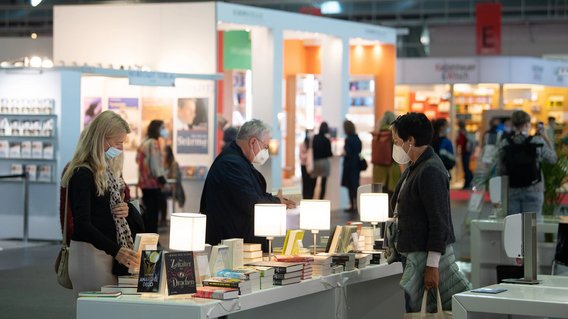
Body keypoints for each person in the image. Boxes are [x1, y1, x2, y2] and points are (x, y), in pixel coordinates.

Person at [388, 112, 470, 313]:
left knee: (421, 309)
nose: (395, 146)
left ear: (410, 140)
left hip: (424, 258)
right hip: (412, 254)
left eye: (397, 141)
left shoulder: (430, 169)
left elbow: (438, 220)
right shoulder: (415, 166)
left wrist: (432, 266)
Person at [62, 111, 141, 296]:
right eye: (117, 143)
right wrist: (116, 251)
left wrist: (125, 208)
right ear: (101, 140)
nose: (120, 148)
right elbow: (82, 225)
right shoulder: (83, 173)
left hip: (107, 252)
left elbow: (104, 210)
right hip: (90, 255)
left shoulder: (106, 172)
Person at [200, 119, 296, 248]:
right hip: (232, 246)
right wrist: (276, 202)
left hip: (240, 242)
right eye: (265, 147)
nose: (266, 152)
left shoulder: (238, 161)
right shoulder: (231, 164)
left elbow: (250, 194)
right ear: (253, 142)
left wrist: (274, 199)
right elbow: (250, 202)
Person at [496, 110, 557, 216]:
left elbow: (500, 169)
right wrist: (546, 138)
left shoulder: (505, 143)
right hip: (534, 189)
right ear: (527, 124)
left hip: (512, 189)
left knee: (514, 227)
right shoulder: (537, 141)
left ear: (513, 125)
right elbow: (553, 159)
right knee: (531, 229)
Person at [136, 120, 168, 233]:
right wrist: (162, 179)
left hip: (144, 183)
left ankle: (147, 239)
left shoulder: (144, 142)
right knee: (154, 214)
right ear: (157, 128)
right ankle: (153, 240)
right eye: (163, 127)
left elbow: (138, 160)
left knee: (148, 212)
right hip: (153, 184)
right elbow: (155, 164)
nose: (165, 130)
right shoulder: (154, 143)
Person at [371, 111, 400, 197]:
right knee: (390, 196)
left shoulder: (376, 134)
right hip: (391, 168)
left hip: (377, 168)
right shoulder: (394, 133)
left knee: (377, 195)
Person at [160, 145, 185, 225]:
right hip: (164, 187)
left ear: (168, 153)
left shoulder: (174, 164)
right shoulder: (163, 163)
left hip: (173, 189)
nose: (163, 153)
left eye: (164, 151)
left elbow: (175, 179)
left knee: (162, 196)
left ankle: (163, 219)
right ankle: (160, 219)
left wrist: (168, 185)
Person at [341, 120, 362, 213]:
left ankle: (352, 206)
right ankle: (356, 205)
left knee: (350, 186)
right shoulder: (357, 138)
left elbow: (348, 153)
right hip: (356, 165)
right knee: (355, 185)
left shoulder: (348, 139)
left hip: (349, 165)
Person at [311, 122, 333, 199]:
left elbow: (312, 149)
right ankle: (321, 200)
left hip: (315, 162)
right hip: (324, 162)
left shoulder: (315, 138)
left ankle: (311, 198)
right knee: (323, 184)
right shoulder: (327, 140)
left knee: (313, 183)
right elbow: (330, 154)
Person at [456, 120, 473, 189]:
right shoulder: (466, 132)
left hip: (465, 152)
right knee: (466, 168)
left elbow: (460, 142)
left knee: (466, 168)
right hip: (467, 152)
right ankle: (468, 182)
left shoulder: (461, 133)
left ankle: (468, 183)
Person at [299, 129, 315, 199]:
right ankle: (305, 197)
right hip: (304, 165)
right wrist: (308, 155)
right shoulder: (302, 144)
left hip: (310, 165)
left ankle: (310, 197)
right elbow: (301, 156)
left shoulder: (312, 145)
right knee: (305, 182)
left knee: (311, 183)